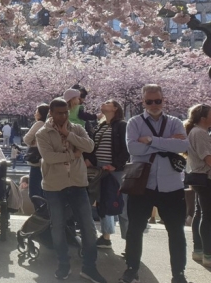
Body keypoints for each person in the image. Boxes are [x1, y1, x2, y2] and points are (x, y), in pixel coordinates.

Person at [120, 84, 190, 283]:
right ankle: (132, 268)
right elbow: (132, 148)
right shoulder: (134, 122)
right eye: (149, 101)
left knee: (176, 232)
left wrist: (150, 140)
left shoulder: (175, 122)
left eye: (157, 101)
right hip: (142, 185)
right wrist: (166, 142)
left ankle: (178, 274)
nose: (153, 105)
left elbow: (183, 145)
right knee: (135, 230)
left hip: (172, 185)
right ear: (143, 102)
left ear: (163, 100)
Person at [36, 98, 106, 283]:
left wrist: (69, 134)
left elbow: (90, 146)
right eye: (59, 113)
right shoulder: (43, 133)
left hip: (77, 183)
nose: (63, 115)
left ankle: (89, 268)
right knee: (57, 226)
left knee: (88, 227)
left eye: (66, 112)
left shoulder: (76, 128)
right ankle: (63, 265)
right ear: (51, 113)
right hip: (54, 185)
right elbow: (49, 157)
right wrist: (73, 154)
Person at [87, 100, 129, 248]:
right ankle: (106, 237)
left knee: (121, 204)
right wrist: (90, 161)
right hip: (100, 170)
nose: (103, 104)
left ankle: (130, 242)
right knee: (103, 202)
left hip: (115, 171)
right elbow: (93, 146)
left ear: (115, 108)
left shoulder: (122, 125)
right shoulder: (102, 126)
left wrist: (116, 165)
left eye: (107, 102)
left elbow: (126, 148)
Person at [183, 104, 211, 267]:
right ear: (203, 118)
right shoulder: (200, 133)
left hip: (198, 176)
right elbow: (208, 158)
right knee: (207, 215)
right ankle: (207, 253)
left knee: (200, 213)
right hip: (205, 177)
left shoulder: (197, 131)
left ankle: (199, 250)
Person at [23, 104, 49, 208]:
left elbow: (26, 139)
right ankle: (47, 213)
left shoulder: (39, 124)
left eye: (37, 112)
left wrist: (33, 142)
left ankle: (41, 214)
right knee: (43, 190)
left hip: (37, 161)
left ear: (42, 114)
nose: (35, 114)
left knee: (34, 192)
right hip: (46, 160)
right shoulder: (50, 124)